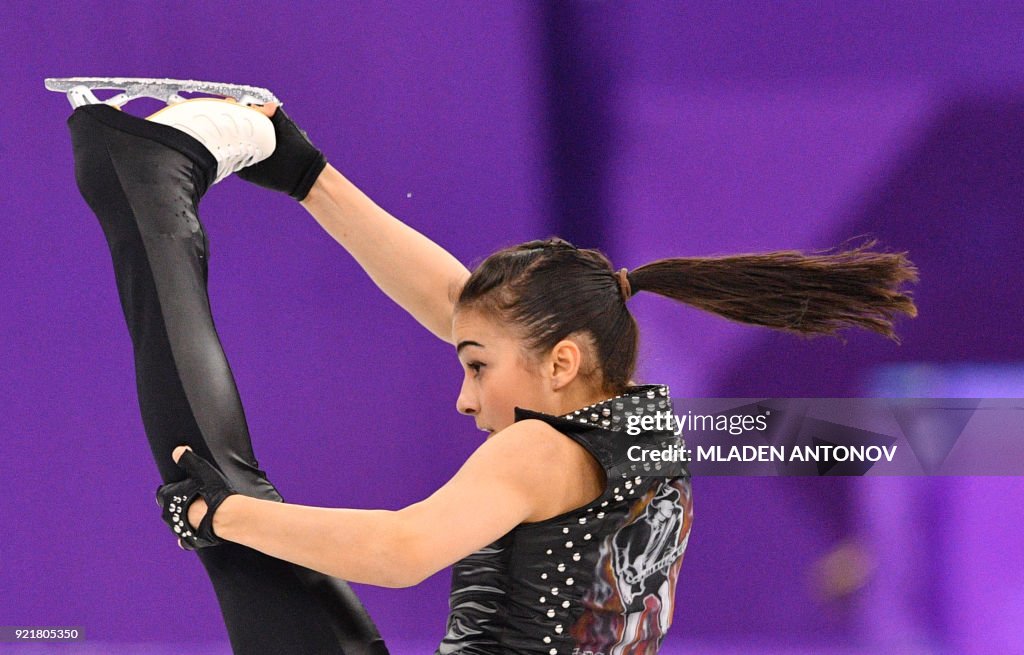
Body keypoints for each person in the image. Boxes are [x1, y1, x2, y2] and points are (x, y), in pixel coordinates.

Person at [69, 96, 917, 654]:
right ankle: (144, 175)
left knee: (221, 483)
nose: (465, 395)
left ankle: (145, 184)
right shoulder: (643, 430)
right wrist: (307, 176)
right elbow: (462, 308)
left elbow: (403, 551)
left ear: (563, 361)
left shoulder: (539, 453)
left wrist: (225, 517)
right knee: (237, 505)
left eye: (477, 370)